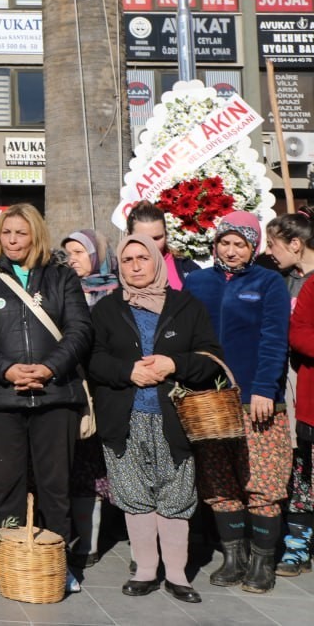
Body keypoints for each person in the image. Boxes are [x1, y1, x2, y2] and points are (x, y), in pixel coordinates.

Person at [0, 203, 90, 593]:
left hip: (55, 395)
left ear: (36, 236)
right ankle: (8, 560)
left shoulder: (62, 278)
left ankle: (57, 561)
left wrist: (49, 368)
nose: (13, 240)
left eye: (21, 233)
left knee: (55, 485)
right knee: (8, 486)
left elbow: (80, 330)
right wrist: (7, 370)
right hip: (1, 397)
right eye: (6, 233)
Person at [90, 234, 226, 604]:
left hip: (174, 418)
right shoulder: (106, 309)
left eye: (142, 258)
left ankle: (178, 574)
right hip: (125, 417)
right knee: (135, 496)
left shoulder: (186, 306)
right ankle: (147, 569)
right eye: (128, 259)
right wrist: (127, 372)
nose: (135, 266)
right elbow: (92, 359)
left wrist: (174, 364)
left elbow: (210, 357)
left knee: (175, 495)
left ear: (156, 261)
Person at [184, 211, 293, 593]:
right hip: (209, 402)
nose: (231, 251)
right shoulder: (195, 282)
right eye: (225, 243)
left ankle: (262, 563)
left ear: (253, 247)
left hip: (255, 401)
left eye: (240, 244)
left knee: (262, 481)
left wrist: (264, 387)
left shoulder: (269, 283)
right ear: (215, 244)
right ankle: (233, 557)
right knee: (219, 479)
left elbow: (274, 338)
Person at [60, 229, 117, 568]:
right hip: (68, 387)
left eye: (79, 252)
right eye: (67, 252)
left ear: (96, 255)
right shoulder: (60, 290)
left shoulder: (113, 293)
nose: (72, 258)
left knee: (94, 468)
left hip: (101, 390)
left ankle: (90, 542)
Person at [267, 208, 314, 577]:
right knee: (301, 468)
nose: (270, 252)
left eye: (275, 244)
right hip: (292, 384)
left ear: (296, 244)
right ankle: (297, 543)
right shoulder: (280, 280)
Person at [126, 201, 198, 291]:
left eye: (157, 238)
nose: (151, 245)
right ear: (129, 237)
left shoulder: (187, 268)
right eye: (143, 239)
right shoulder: (116, 271)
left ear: (165, 234)